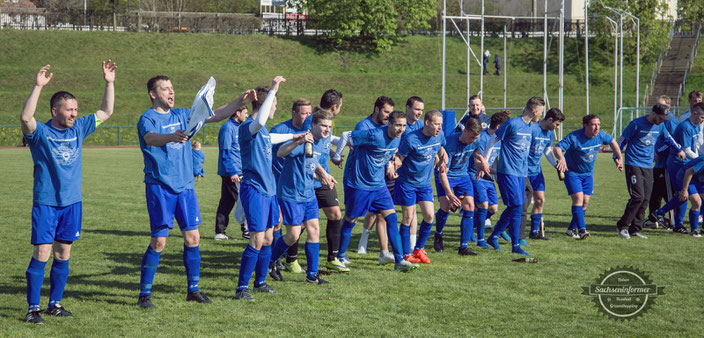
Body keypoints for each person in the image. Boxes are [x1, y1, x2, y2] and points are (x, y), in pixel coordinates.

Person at [136, 75, 257, 308]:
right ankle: (144, 294)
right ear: (153, 94)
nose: (171, 92)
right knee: (159, 241)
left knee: (193, 238)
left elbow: (217, 114)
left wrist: (238, 100)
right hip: (160, 187)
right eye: (165, 89)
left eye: (172, 88)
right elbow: (150, 138)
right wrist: (170, 137)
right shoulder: (147, 118)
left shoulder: (182, 114)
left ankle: (193, 289)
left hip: (185, 188)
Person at [21, 61, 116, 324]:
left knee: (63, 253)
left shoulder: (80, 128)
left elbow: (106, 111)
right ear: (55, 111)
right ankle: (33, 308)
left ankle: (55, 303)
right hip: (47, 202)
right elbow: (26, 118)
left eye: (76, 109)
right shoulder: (40, 133)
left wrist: (109, 82)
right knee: (42, 253)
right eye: (69, 109)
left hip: (72, 203)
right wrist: (38, 86)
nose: (74, 113)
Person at [234, 77, 312, 301]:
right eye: (274, 104)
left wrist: (294, 137)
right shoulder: (247, 127)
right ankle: (241, 288)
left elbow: (272, 137)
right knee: (257, 240)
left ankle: (260, 283)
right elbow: (258, 124)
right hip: (255, 190)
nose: (275, 108)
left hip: (269, 191)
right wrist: (273, 90)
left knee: (268, 239)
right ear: (265, 103)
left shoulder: (264, 131)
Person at [335, 110, 417, 271]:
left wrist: (389, 167)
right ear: (389, 124)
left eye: (404, 125)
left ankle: (399, 261)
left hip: (379, 186)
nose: (401, 129)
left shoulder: (397, 138)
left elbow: (386, 155)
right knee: (351, 221)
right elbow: (345, 135)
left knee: (392, 218)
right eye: (398, 125)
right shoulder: (374, 135)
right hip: (360, 185)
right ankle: (339, 258)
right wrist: (337, 156)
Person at [267, 108, 336, 284]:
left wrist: (324, 177)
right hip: (291, 193)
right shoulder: (304, 139)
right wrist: (298, 142)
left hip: (308, 192)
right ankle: (271, 261)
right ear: (313, 125)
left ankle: (312, 275)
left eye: (329, 126)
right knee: (293, 235)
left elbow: (310, 167)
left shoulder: (321, 142)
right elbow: (281, 152)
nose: (327, 130)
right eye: (323, 126)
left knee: (314, 230)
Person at [480, 97, 545, 256]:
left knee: (515, 206)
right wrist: (486, 162)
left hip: (521, 173)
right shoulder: (512, 124)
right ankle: (515, 244)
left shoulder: (530, 126)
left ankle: (494, 236)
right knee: (517, 206)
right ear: (535, 111)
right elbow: (492, 140)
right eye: (541, 113)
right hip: (507, 171)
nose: (541, 116)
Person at [616, 103, 684, 239]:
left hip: (648, 165)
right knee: (637, 197)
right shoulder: (636, 124)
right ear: (653, 114)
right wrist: (617, 157)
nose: (662, 120)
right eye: (660, 117)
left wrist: (679, 150)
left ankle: (635, 229)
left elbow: (669, 138)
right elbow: (622, 140)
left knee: (646, 199)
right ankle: (622, 226)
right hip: (633, 163)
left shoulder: (661, 125)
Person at [553, 114, 623, 240]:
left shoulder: (601, 135)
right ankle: (582, 230)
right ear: (585, 125)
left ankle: (571, 229)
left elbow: (613, 141)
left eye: (598, 125)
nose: (597, 128)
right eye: (593, 125)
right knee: (578, 200)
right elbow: (557, 148)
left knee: (584, 203)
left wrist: (619, 158)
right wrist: (561, 158)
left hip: (588, 174)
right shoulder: (575, 137)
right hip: (572, 173)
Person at [393, 109, 446, 263]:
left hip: (424, 184)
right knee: (408, 218)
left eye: (441, 124)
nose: (439, 127)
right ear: (427, 123)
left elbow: (440, 145)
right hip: (407, 183)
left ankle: (418, 249)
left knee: (429, 216)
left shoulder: (439, 135)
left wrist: (443, 155)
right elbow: (400, 157)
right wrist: (395, 164)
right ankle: (405, 254)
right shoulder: (411, 139)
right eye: (436, 124)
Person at [350, 96, 396, 265]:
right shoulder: (364, 126)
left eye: (391, 113)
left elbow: (388, 150)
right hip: (359, 180)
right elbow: (351, 142)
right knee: (352, 217)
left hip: (379, 180)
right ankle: (339, 252)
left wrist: (390, 164)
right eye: (386, 111)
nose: (388, 116)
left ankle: (385, 252)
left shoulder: (388, 127)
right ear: (376, 109)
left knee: (384, 214)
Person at [270, 98, 313, 275]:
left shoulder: (310, 131)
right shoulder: (280, 130)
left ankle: (282, 257)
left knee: (302, 224)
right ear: (294, 113)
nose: (307, 117)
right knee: (277, 223)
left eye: (310, 113)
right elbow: (270, 153)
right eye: (304, 113)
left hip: (301, 185)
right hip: (278, 183)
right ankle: (273, 258)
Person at [433, 117, 483, 256]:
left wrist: (482, 163)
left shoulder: (476, 140)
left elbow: (477, 152)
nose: (474, 140)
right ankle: (438, 234)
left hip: (462, 176)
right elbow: (442, 173)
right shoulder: (449, 144)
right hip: (445, 176)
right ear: (465, 130)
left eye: (476, 137)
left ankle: (463, 247)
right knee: (446, 207)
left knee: (469, 206)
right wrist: (449, 194)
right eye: (472, 136)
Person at [652, 102, 704, 234]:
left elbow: (695, 147)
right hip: (678, 164)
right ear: (695, 113)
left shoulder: (696, 127)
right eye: (702, 117)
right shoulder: (684, 127)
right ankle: (671, 219)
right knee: (683, 194)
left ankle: (679, 223)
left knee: (689, 195)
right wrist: (699, 160)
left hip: (690, 164)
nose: (703, 120)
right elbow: (686, 150)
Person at [521, 108, 565, 242]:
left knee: (540, 200)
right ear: (550, 119)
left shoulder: (550, 134)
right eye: (556, 124)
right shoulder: (532, 129)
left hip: (537, 171)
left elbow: (546, 151)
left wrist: (556, 165)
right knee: (523, 203)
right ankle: (512, 227)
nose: (557, 128)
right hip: (524, 171)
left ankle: (534, 232)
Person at [469, 110, 511, 249]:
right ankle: (481, 239)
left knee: (493, 208)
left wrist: (498, 175)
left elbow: (494, 160)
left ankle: (470, 225)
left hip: (489, 177)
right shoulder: (482, 138)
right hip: (476, 175)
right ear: (499, 126)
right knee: (484, 205)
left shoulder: (499, 139)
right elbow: (477, 158)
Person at [214, 105, 250, 241]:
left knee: (226, 202)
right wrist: (233, 172)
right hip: (233, 173)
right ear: (237, 112)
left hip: (237, 171)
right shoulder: (227, 128)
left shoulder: (238, 127)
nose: (246, 116)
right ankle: (247, 231)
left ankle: (220, 233)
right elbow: (226, 152)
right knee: (244, 201)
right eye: (245, 113)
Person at [645, 95, 677, 229]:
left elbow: (674, 142)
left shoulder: (670, 122)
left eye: (661, 105)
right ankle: (653, 219)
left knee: (668, 194)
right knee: (654, 193)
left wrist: (658, 152)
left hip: (666, 165)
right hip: (658, 165)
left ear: (668, 107)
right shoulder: (658, 120)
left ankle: (674, 222)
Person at [674, 155, 704, 237]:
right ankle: (694, 231)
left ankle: (660, 212)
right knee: (697, 202)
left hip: (697, 179)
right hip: (685, 176)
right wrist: (684, 189)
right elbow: (689, 172)